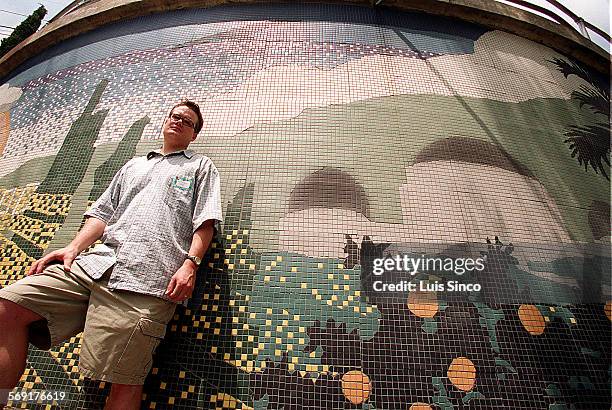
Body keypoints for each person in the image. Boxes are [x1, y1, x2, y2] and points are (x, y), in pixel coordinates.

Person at [0, 100, 222, 409]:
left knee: (123, 380)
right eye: (175, 116)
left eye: (187, 121)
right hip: (95, 265)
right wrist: (74, 247)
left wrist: (191, 264)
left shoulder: (200, 166)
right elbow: (102, 213)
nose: (179, 122)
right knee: (8, 306)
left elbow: (206, 221)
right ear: (165, 120)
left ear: (194, 134)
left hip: (145, 281)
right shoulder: (134, 165)